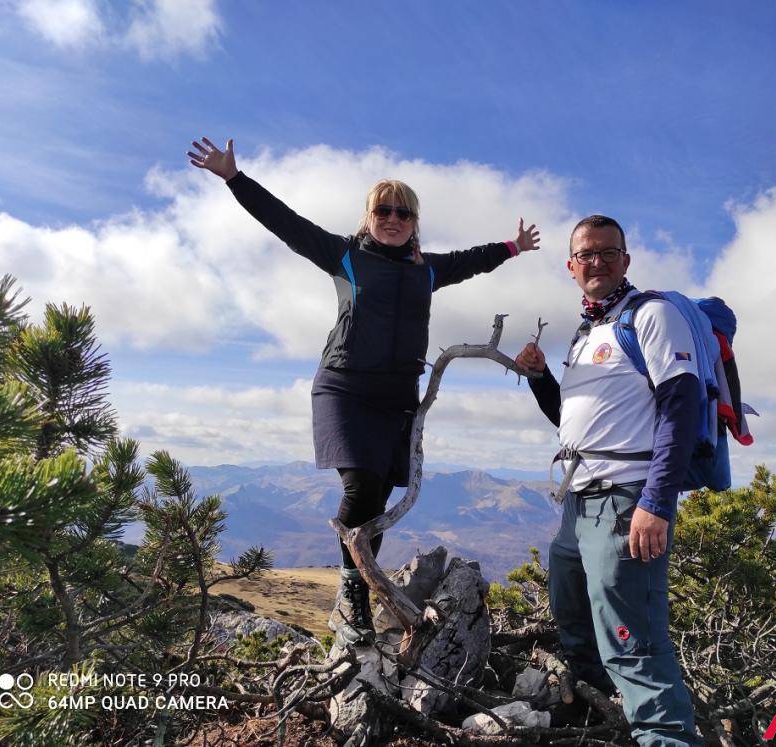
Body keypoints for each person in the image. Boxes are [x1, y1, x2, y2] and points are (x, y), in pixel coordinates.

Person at [187, 137, 540, 646]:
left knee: (378, 497)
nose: (393, 219)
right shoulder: (345, 255)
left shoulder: (427, 269)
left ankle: (360, 584)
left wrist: (512, 247)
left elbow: (472, 259)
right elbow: (286, 223)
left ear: (415, 221)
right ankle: (353, 595)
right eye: (383, 210)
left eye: (403, 212)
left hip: (397, 396)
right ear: (368, 216)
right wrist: (235, 179)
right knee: (360, 487)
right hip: (345, 386)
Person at [515, 215, 701, 746]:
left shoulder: (652, 316)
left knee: (631, 639)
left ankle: (666, 736)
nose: (596, 262)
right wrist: (541, 378)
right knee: (574, 617)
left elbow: (681, 407)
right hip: (579, 501)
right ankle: (596, 717)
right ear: (571, 265)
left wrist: (656, 503)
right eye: (586, 254)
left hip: (625, 499)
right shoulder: (588, 332)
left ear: (625, 260)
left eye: (607, 252)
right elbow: (572, 421)